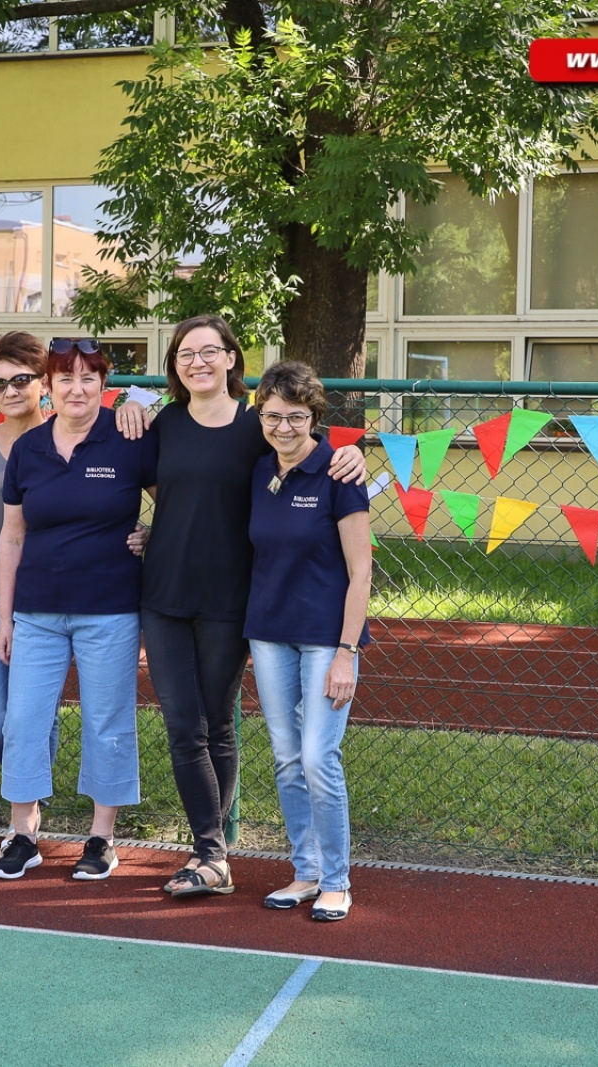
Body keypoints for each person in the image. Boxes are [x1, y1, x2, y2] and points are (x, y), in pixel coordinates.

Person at [134, 315, 366, 899]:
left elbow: (308, 449)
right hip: (166, 592)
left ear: (234, 359)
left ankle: (244, 861)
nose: (198, 362)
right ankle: (213, 854)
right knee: (184, 725)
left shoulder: (254, 428)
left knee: (219, 725)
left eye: (210, 351)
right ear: (175, 365)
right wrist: (152, 532)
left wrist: (353, 458)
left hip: (232, 601)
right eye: (185, 353)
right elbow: (170, 494)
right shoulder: (163, 424)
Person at [0, 338, 157, 881]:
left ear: (103, 386)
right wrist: (5, 618)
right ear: (49, 387)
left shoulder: (128, 438)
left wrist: (153, 533)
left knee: (107, 722)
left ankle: (101, 837)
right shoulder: (29, 449)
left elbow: (180, 503)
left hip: (109, 611)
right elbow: (11, 538)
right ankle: (23, 834)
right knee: (23, 722)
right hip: (36, 613)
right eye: (65, 379)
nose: (76, 389)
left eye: (88, 378)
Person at [245, 361, 372, 923]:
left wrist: (347, 652)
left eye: (296, 416)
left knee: (320, 757)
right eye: (272, 416)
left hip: (326, 639)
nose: (283, 427)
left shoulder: (340, 473)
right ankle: (305, 871)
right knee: (287, 757)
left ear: (314, 417)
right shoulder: (258, 472)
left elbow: (361, 570)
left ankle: (337, 880)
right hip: (269, 633)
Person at [0, 332, 59, 767]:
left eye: (21, 380)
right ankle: (27, 788)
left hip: (47, 595)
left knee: (33, 715)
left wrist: (137, 530)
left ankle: (27, 815)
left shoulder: (66, 440)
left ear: (44, 381)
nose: (10, 392)